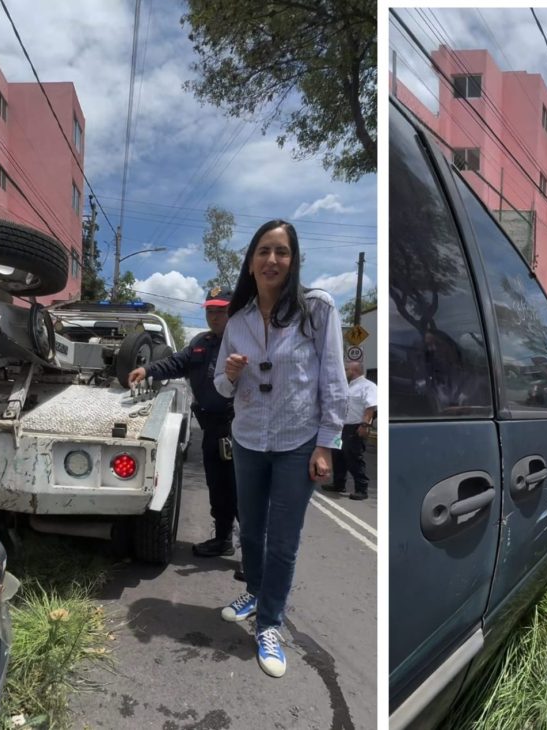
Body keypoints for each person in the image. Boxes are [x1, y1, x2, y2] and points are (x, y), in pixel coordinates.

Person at [213, 219, 348, 678]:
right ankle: (254, 591)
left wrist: (326, 445)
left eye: (282, 252)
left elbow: (333, 379)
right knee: (250, 530)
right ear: (250, 263)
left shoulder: (317, 308)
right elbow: (219, 387)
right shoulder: (238, 321)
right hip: (249, 439)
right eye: (264, 251)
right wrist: (229, 374)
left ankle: (269, 622)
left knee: (283, 542)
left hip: (297, 442)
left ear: (294, 261)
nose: (272, 260)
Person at [129, 287, 238, 559]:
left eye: (220, 311)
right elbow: (177, 362)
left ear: (232, 312)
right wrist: (147, 370)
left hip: (237, 429)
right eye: (210, 311)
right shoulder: (202, 342)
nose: (214, 316)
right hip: (212, 429)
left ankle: (252, 555)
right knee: (217, 486)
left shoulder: (243, 343)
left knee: (243, 491)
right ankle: (223, 539)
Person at [323, 361, 377, 500]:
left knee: (353, 457)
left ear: (354, 370)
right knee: (338, 456)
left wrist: (365, 425)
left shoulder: (368, 386)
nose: (344, 371)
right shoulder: (348, 386)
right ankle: (339, 484)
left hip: (355, 427)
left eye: (346, 369)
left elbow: (370, 407)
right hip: (342, 428)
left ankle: (362, 489)